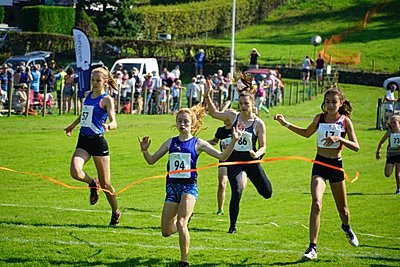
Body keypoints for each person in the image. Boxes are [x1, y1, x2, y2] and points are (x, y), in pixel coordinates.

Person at [138, 105, 244, 267]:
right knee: (166, 231)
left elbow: (222, 156)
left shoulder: (198, 143)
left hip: (189, 187)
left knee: (180, 223)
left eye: (186, 121)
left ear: (192, 124)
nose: (182, 124)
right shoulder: (170, 142)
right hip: (172, 188)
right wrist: (145, 151)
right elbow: (151, 161)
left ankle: (184, 261)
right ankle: (187, 221)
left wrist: (234, 140)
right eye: (179, 121)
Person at [274, 87, 360, 260]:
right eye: (327, 102)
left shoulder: (345, 121)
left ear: (341, 103)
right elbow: (306, 133)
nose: (330, 105)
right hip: (319, 164)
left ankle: (346, 227)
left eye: (334, 102)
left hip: (336, 166)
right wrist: (285, 123)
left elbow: (356, 147)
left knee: (343, 210)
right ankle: (312, 247)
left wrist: (339, 138)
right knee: (317, 203)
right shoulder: (319, 118)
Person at [204, 73, 273, 234]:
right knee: (236, 190)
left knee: (267, 193)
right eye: (240, 103)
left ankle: (255, 181)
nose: (242, 106)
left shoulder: (258, 123)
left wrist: (257, 154)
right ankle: (232, 226)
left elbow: (263, 146)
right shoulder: (232, 116)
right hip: (233, 160)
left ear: (252, 104)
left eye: (246, 103)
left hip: (251, 160)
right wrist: (207, 95)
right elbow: (214, 113)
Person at [64, 67, 120, 226]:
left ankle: (115, 210)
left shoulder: (106, 99)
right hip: (83, 140)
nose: (95, 83)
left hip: (98, 142)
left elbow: (114, 121)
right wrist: (72, 126)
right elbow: (83, 115)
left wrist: (110, 126)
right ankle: (91, 183)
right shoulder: (88, 95)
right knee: (75, 171)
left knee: (106, 184)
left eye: (98, 80)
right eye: (93, 80)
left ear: (105, 81)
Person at [208, 118, 248, 215]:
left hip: (237, 159)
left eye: (227, 118)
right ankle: (220, 209)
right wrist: (202, 143)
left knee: (240, 186)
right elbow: (215, 141)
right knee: (222, 183)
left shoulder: (238, 129)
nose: (225, 120)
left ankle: (245, 174)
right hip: (224, 158)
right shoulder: (220, 130)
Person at [376, 115, 400, 195]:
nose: (392, 124)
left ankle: (398, 189)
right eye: (391, 122)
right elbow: (381, 142)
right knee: (387, 174)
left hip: (399, 154)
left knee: (397, 174)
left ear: (399, 123)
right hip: (391, 155)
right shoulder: (389, 132)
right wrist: (378, 152)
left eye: (394, 122)